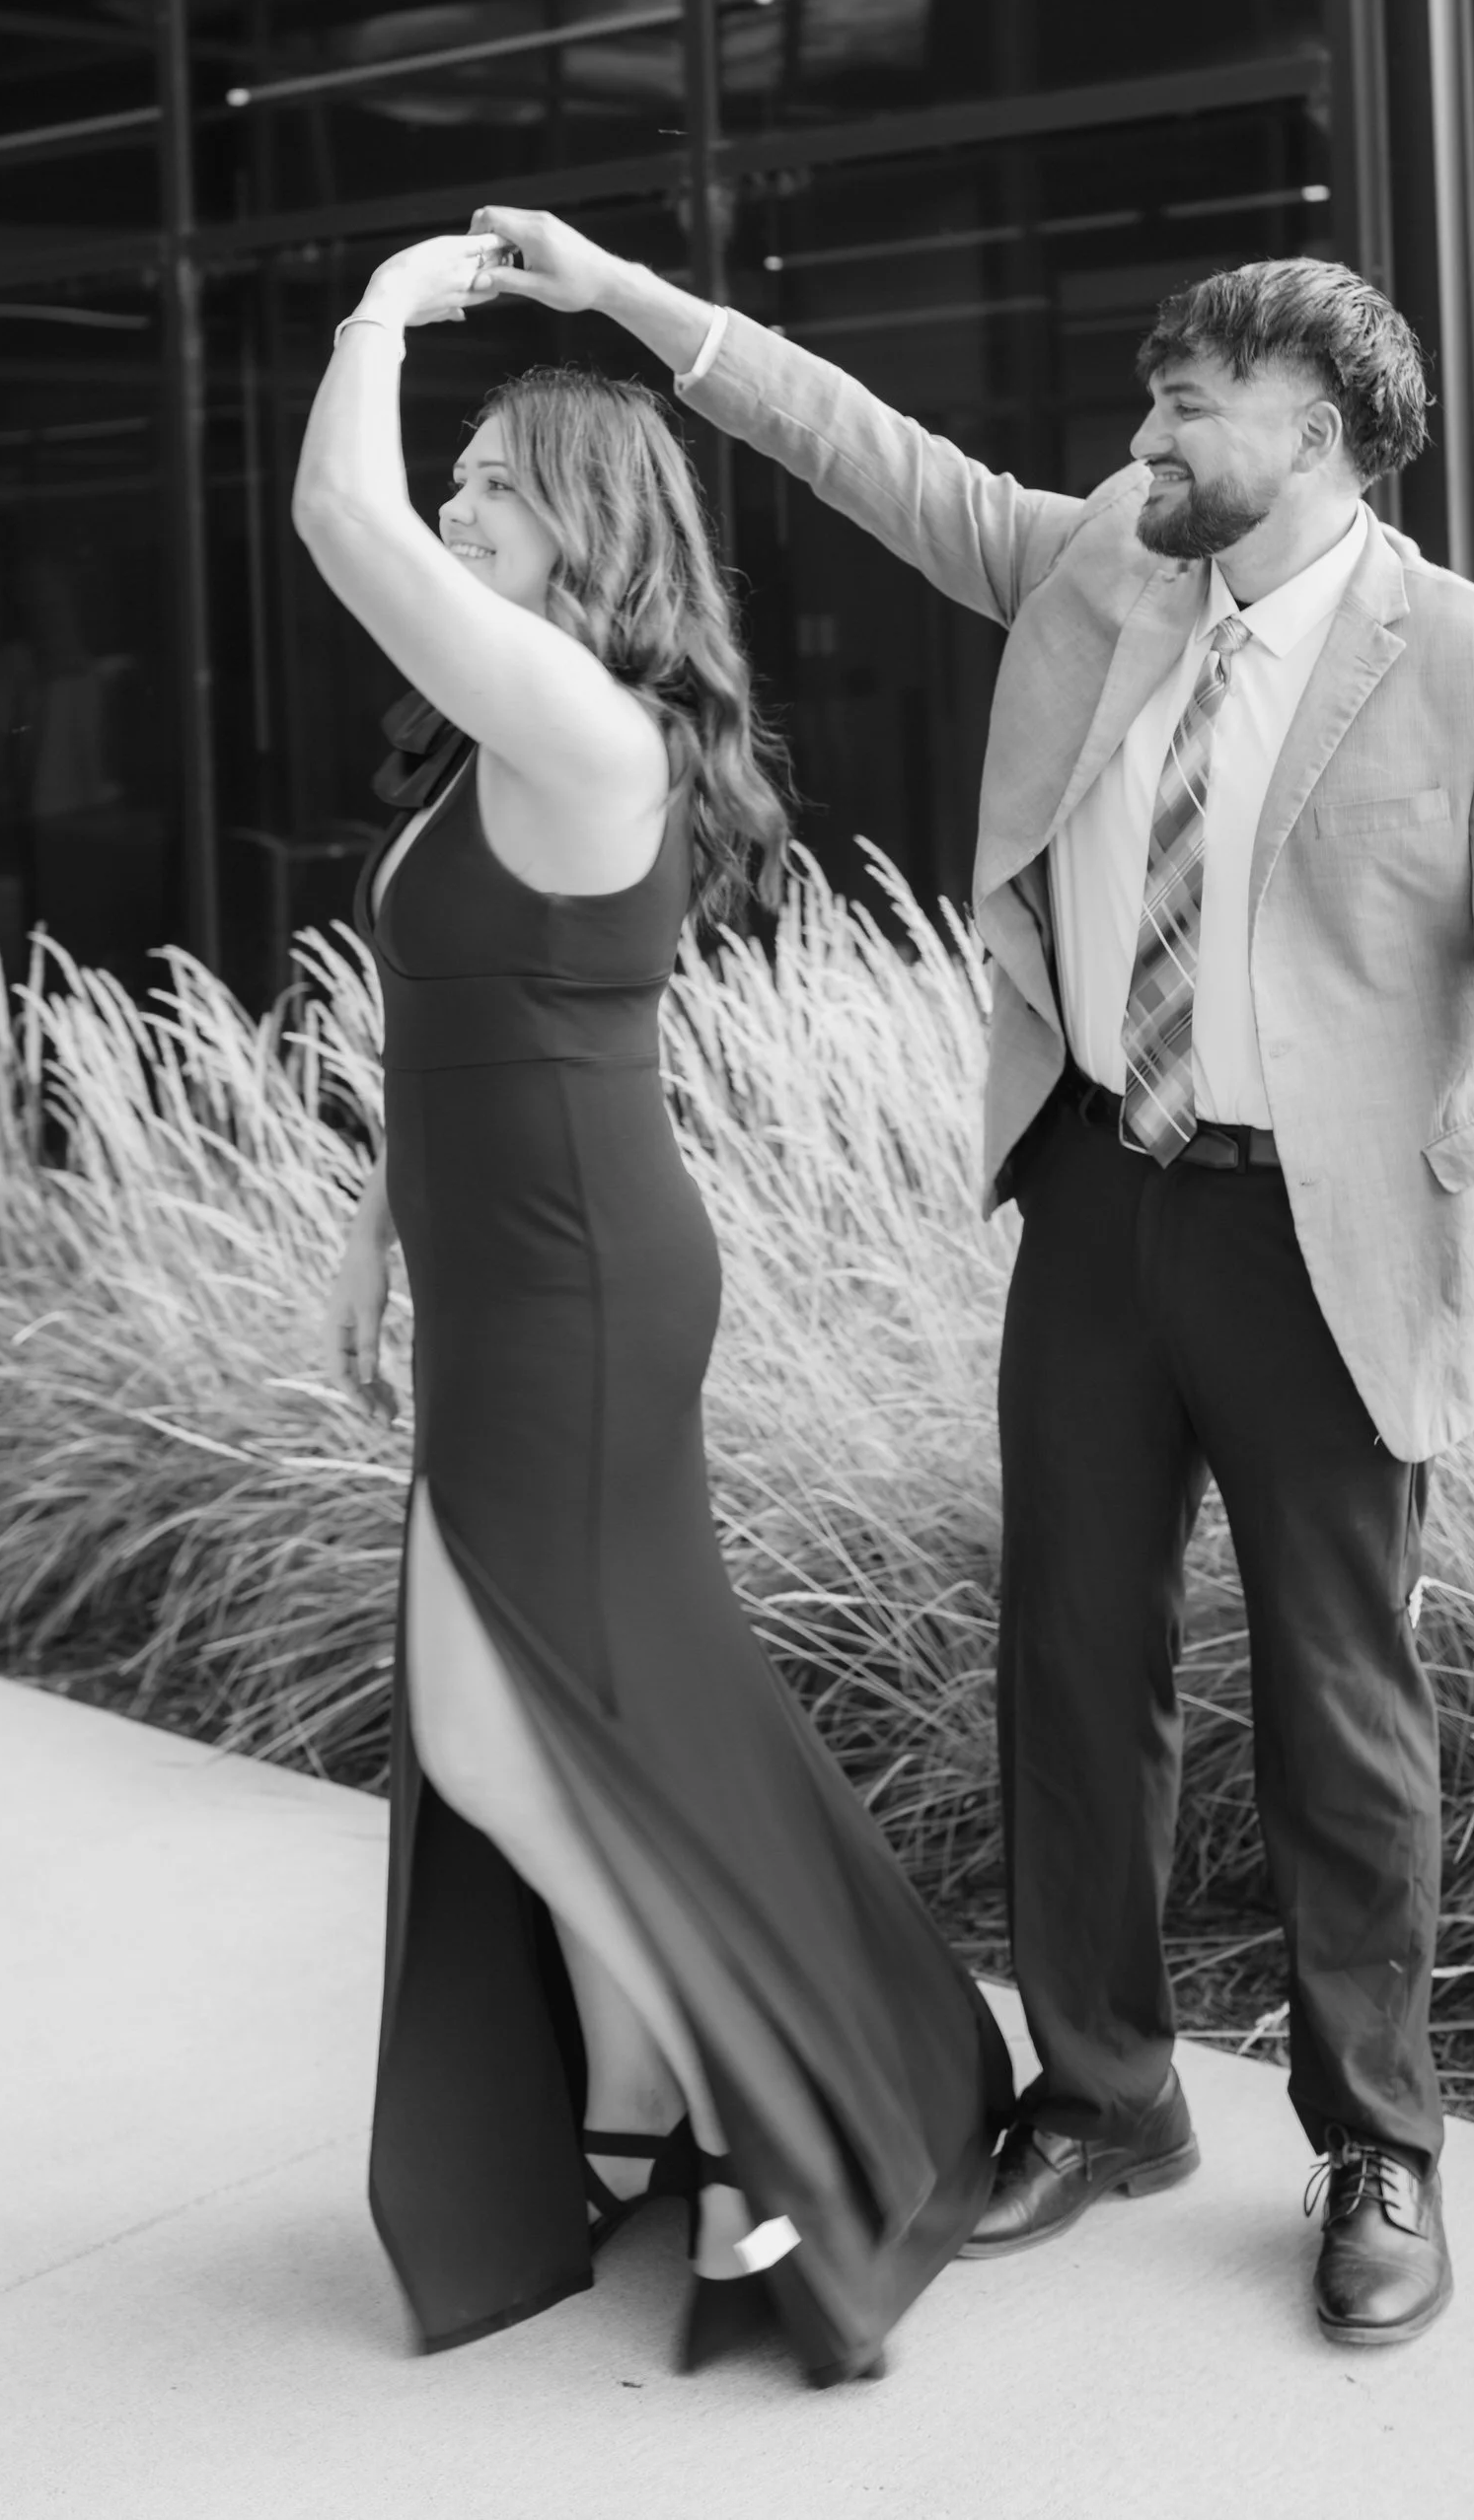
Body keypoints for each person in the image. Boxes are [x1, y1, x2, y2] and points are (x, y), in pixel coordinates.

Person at [469, 209, 1474, 2353]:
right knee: (1072, 1669)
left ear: (1321, 431)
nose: (1146, 437)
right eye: (1149, 402)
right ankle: (1101, 2096)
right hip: (1098, 1198)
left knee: (1339, 1711)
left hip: (1328, 1246)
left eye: (1190, 407)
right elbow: (859, 444)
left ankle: (1376, 2146)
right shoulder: (1100, 561)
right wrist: (621, 297)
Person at [294, 228, 1010, 2389]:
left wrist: (383, 306)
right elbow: (459, 1022)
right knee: (589, 1704)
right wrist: (370, 1237)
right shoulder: (501, 737)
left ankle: (744, 2097)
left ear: (587, 531)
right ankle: (647, 2095)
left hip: (577, 1284)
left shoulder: (581, 727)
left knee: (504, 1724)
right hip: (518, 1265)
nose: (450, 504)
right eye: (456, 476)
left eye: (494, 484)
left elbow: (336, 514)